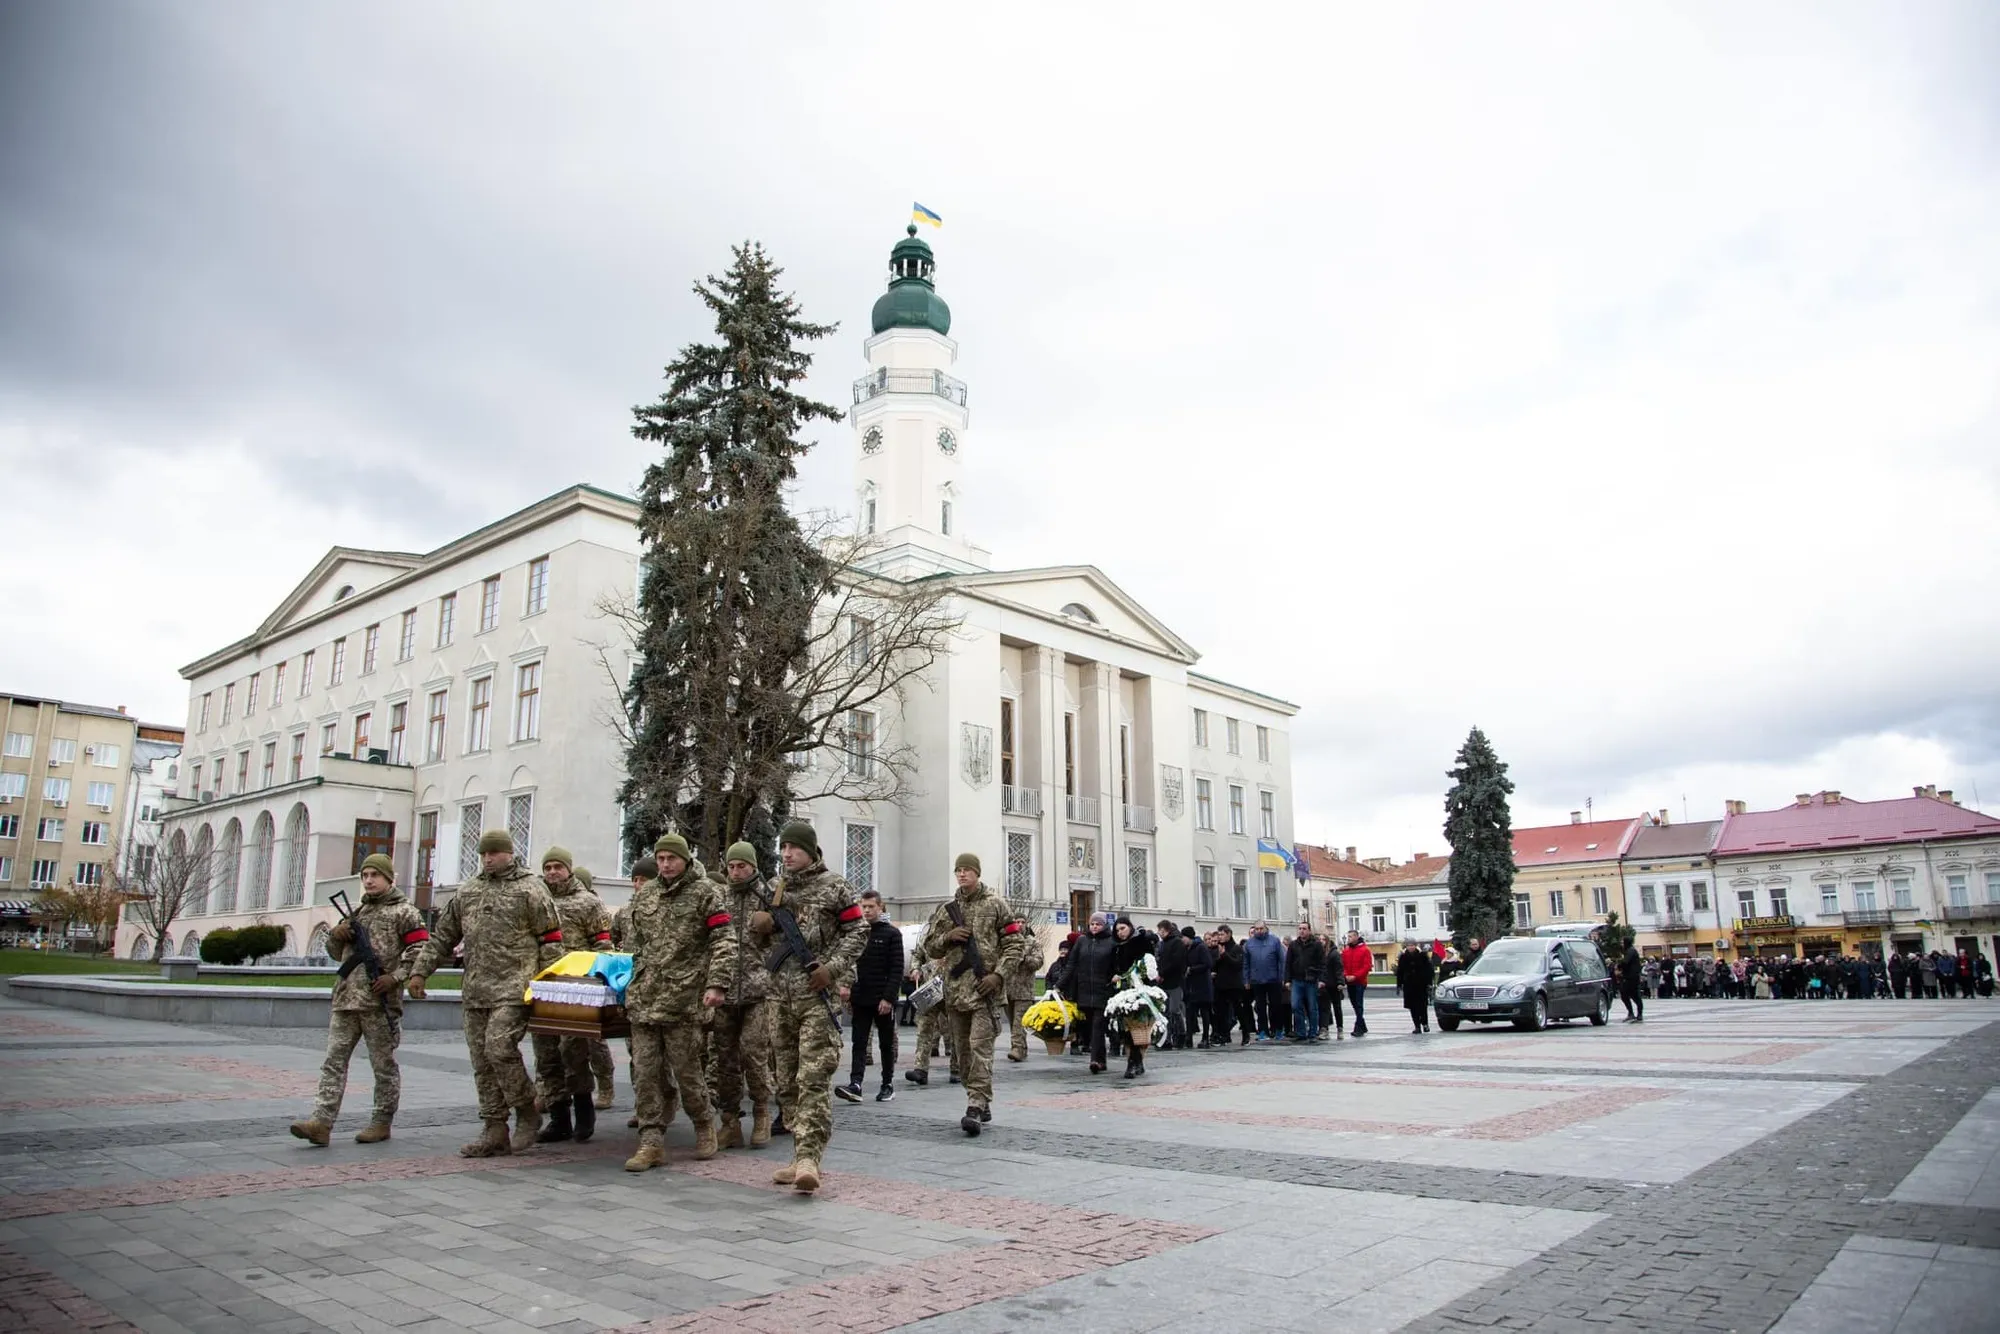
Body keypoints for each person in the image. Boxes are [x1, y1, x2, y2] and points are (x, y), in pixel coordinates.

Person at [408, 829, 563, 1157]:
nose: (488, 859)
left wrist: (548, 985)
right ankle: (494, 1127)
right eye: (483, 854)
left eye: (494, 853)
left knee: (499, 1048)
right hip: (476, 989)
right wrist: (420, 971)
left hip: (515, 987)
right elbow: (443, 937)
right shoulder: (469, 891)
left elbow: (551, 940)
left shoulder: (530, 888)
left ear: (509, 853)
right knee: (481, 1060)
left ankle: (526, 1110)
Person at [754, 822, 866, 1194]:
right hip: (777, 997)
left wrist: (831, 969)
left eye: (793, 848)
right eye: (782, 847)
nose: (786, 854)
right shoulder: (774, 888)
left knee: (813, 1079)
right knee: (785, 1082)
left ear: (810, 850)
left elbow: (858, 931)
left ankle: (809, 1159)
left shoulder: (835, 887)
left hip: (816, 997)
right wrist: (761, 927)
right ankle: (797, 1153)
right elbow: (757, 941)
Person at [289, 853, 427, 1147]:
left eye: (375, 875)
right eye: (364, 876)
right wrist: (337, 936)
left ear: (389, 878)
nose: (369, 881)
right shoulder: (357, 912)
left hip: (379, 1003)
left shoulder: (405, 912)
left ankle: (381, 1121)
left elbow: (420, 951)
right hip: (346, 999)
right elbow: (336, 954)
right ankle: (321, 1122)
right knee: (333, 1062)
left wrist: (396, 976)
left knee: (383, 1065)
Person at [618, 833, 736, 1174]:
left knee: (687, 1072)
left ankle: (703, 1125)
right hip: (644, 1000)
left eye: (672, 858)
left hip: (683, 1001)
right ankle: (651, 1141)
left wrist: (716, 984)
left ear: (685, 859)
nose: (666, 864)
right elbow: (633, 943)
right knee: (645, 1073)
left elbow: (724, 941)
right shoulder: (647, 895)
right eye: (661, 859)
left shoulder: (705, 894)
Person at [924, 853, 1029, 1134]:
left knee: (980, 1048)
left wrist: (999, 975)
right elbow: (930, 946)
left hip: (985, 992)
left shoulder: (995, 904)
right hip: (956, 993)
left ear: (977, 873)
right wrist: (948, 937)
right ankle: (980, 1098)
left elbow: (1014, 944)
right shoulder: (947, 909)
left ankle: (974, 1105)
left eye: (967, 870)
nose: (962, 874)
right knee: (963, 1054)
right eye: (958, 870)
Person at [529, 847, 614, 1145]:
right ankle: (558, 1118)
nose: (552, 872)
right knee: (547, 1057)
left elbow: (604, 945)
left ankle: (584, 1110)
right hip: (541, 988)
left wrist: (596, 982)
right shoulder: (535, 898)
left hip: (575, 991)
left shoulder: (588, 903)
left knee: (573, 1053)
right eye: (548, 867)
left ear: (569, 869)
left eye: (558, 867)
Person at [709, 843, 777, 1150]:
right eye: (731, 867)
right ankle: (730, 1121)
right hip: (724, 991)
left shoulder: (768, 896)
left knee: (754, 1054)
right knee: (724, 1059)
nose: (735, 872)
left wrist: (771, 928)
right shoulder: (719, 897)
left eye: (741, 866)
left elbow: (788, 938)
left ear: (753, 866)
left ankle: (761, 1114)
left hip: (757, 991)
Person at [839, 888, 905, 1102]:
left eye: (870, 907)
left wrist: (888, 998)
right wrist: (847, 989)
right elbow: (848, 962)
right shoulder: (857, 933)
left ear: (880, 907)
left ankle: (887, 1084)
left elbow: (897, 968)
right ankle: (855, 1083)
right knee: (859, 1041)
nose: (866, 911)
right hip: (860, 998)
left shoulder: (891, 934)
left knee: (886, 1043)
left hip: (882, 999)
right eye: (863, 906)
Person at [573, 868, 618, 1112]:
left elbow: (604, 943)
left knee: (594, 1039)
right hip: (563, 980)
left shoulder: (592, 906)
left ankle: (606, 1083)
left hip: (588, 977)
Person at [1064, 913, 1119, 1072]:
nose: (1095, 926)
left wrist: (1114, 978)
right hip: (1084, 990)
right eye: (1092, 924)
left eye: (1098, 924)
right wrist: (1059, 985)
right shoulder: (1082, 941)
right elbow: (1071, 964)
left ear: (1104, 926)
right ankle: (1101, 1060)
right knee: (1088, 1026)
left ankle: (1096, 1060)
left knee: (1098, 1025)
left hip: (1103, 990)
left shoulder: (1111, 942)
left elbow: (1116, 965)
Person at [1004, 919, 1046, 1062]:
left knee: (1018, 1022)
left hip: (1024, 990)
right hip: (1008, 990)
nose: (1019, 924)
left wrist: (1025, 958)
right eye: (1016, 921)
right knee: (1012, 1022)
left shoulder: (1032, 942)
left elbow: (1038, 962)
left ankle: (1017, 1049)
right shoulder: (1007, 941)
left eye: (1022, 921)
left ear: (1027, 923)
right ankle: (1021, 1048)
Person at [1241, 921, 1287, 1041]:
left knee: (1276, 1005)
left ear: (1266, 928)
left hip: (1273, 979)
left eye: (1261, 928)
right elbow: (1246, 964)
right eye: (1257, 929)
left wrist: (1282, 977)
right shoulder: (1249, 944)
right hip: (1256, 980)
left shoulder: (1274, 941)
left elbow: (1282, 960)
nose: (1259, 931)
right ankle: (1263, 1031)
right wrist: (1246, 980)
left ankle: (1277, 1029)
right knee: (1260, 1007)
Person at [1209, 927, 1251, 1045]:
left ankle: (1246, 1033)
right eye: (1219, 934)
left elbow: (1237, 964)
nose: (1220, 937)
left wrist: (1224, 955)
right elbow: (1213, 965)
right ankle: (1223, 1035)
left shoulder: (1236, 948)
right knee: (1220, 1011)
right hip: (1220, 984)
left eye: (1222, 934)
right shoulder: (1216, 948)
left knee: (1238, 1009)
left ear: (1229, 934)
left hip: (1233, 984)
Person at [1155, 919, 1190, 1050]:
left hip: (1174, 981)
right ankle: (1166, 1038)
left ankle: (1181, 1034)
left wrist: (1162, 973)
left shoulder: (1176, 943)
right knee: (1165, 1012)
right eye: (1159, 931)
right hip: (1164, 981)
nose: (1160, 933)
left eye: (1162, 931)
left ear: (1168, 930)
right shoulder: (1163, 943)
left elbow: (1175, 962)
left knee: (1174, 1010)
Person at [1287, 924, 1325, 1041]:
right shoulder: (1293, 945)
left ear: (1309, 930)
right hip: (1297, 980)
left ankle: (1313, 1032)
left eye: (1304, 929)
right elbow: (1288, 963)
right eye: (1300, 929)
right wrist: (1287, 980)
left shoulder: (1316, 945)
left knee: (1312, 1007)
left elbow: (1322, 963)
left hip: (1311, 979)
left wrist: (1321, 979)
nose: (1301, 931)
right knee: (1295, 1005)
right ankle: (1301, 1032)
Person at [1181, 926, 1215, 1048]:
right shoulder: (1186, 948)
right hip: (1191, 986)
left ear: (1189, 937)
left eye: (1184, 937)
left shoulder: (1201, 947)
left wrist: (1192, 969)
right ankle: (1188, 1037)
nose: (1182, 939)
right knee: (1190, 1013)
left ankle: (1205, 1037)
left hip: (1203, 985)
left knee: (1205, 1012)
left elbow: (1208, 963)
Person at [1396, 943, 1435, 1034]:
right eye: (1409, 945)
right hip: (1409, 986)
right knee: (1412, 1007)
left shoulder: (1422, 956)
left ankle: (1425, 1023)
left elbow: (1429, 970)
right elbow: (1400, 972)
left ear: (1415, 946)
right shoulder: (1403, 957)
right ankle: (1417, 1026)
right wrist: (1399, 984)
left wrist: (1429, 983)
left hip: (1421, 985)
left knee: (1422, 1006)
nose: (1410, 947)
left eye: (1412, 945)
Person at [1340, 931, 1373, 1037]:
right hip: (1350, 981)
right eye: (1348, 936)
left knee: (1358, 1004)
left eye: (1350, 936)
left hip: (1360, 981)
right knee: (1354, 1004)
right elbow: (1343, 965)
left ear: (1356, 937)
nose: (1348, 938)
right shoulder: (1346, 951)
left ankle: (1358, 1027)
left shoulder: (1365, 950)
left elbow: (1366, 966)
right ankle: (1362, 1025)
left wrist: (1355, 976)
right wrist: (1346, 975)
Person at [1620, 943, 1645, 1022]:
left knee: (1635, 996)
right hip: (1629, 977)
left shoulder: (1631, 951)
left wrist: (1619, 966)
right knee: (1625, 995)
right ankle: (1632, 1013)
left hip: (1632, 978)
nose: (1622, 944)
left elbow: (1625, 962)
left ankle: (1638, 1014)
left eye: (1622, 942)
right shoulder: (1629, 951)